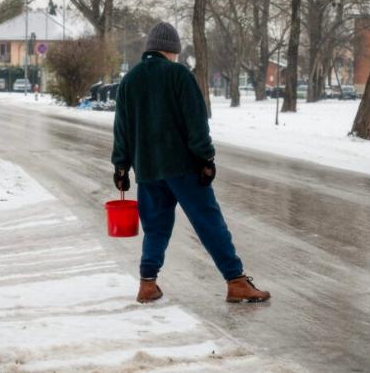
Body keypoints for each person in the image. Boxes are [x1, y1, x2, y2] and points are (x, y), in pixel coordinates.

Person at [111, 22, 271, 304]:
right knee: (209, 222)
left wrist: (121, 167)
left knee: (156, 228)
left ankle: (147, 284)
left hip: (147, 170)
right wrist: (206, 158)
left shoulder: (129, 80)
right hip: (183, 167)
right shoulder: (178, 75)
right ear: (171, 50)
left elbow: (121, 128)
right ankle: (235, 281)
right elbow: (196, 122)